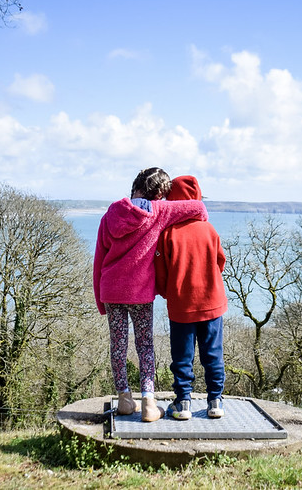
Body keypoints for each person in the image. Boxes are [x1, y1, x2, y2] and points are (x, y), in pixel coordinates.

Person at [93, 167, 208, 422]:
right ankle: (148, 403)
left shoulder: (111, 213)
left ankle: (124, 399)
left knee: (118, 345)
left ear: (135, 186)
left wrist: (100, 301)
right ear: (160, 195)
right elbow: (198, 209)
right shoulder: (159, 211)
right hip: (140, 293)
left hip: (111, 291)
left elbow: (99, 259)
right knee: (145, 345)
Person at [154, 175, 227, 420]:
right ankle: (215, 401)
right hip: (212, 303)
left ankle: (183, 402)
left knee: (182, 358)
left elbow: (161, 273)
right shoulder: (209, 229)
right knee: (213, 355)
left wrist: (170, 293)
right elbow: (220, 261)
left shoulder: (168, 233)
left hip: (181, 305)